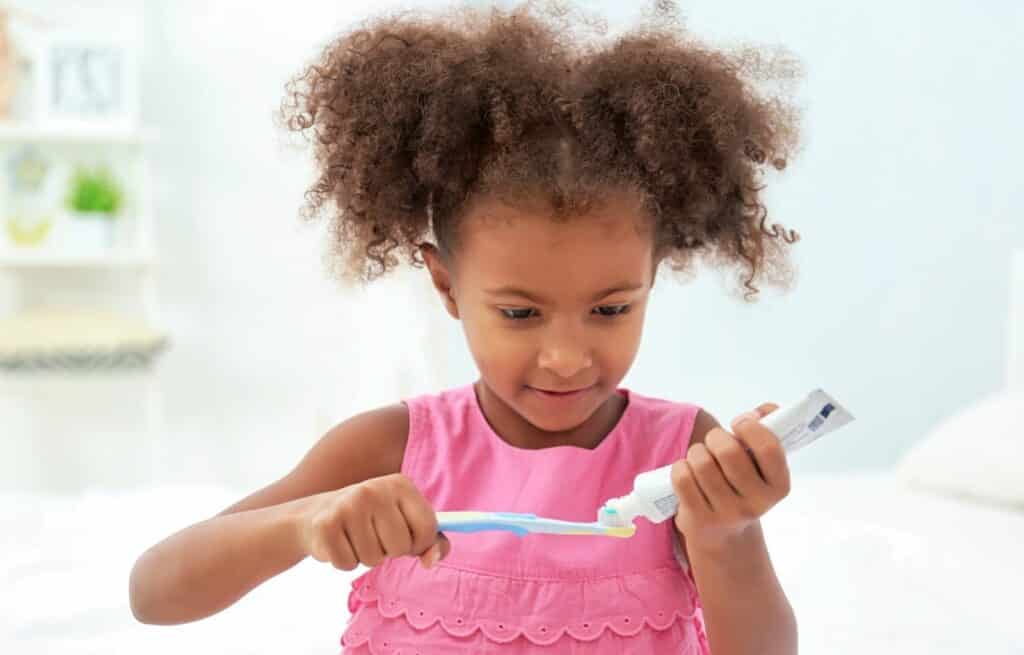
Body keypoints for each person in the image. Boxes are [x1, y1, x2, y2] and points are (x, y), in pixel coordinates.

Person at [130, 2, 805, 653]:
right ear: (446, 285)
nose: (566, 357)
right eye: (519, 313)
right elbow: (155, 590)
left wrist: (727, 534)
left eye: (610, 308)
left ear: (652, 275)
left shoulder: (684, 454)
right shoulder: (389, 447)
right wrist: (305, 521)